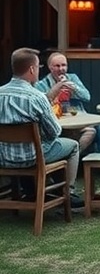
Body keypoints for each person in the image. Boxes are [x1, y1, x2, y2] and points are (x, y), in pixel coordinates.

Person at [0, 47, 83, 208]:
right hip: (32, 158)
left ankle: (31, 192)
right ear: (32, 69)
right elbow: (54, 132)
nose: (39, 71)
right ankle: (68, 193)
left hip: (3, 158)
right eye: (39, 67)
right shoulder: (36, 97)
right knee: (73, 145)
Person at [36, 51, 100, 155]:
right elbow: (43, 103)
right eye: (57, 66)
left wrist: (74, 88)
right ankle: (71, 157)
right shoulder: (42, 84)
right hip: (58, 120)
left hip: (77, 116)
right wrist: (56, 91)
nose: (61, 69)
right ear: (50, 67)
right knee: (91, 131)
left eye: (64, 65)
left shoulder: (73, 78)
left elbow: (87, 97)